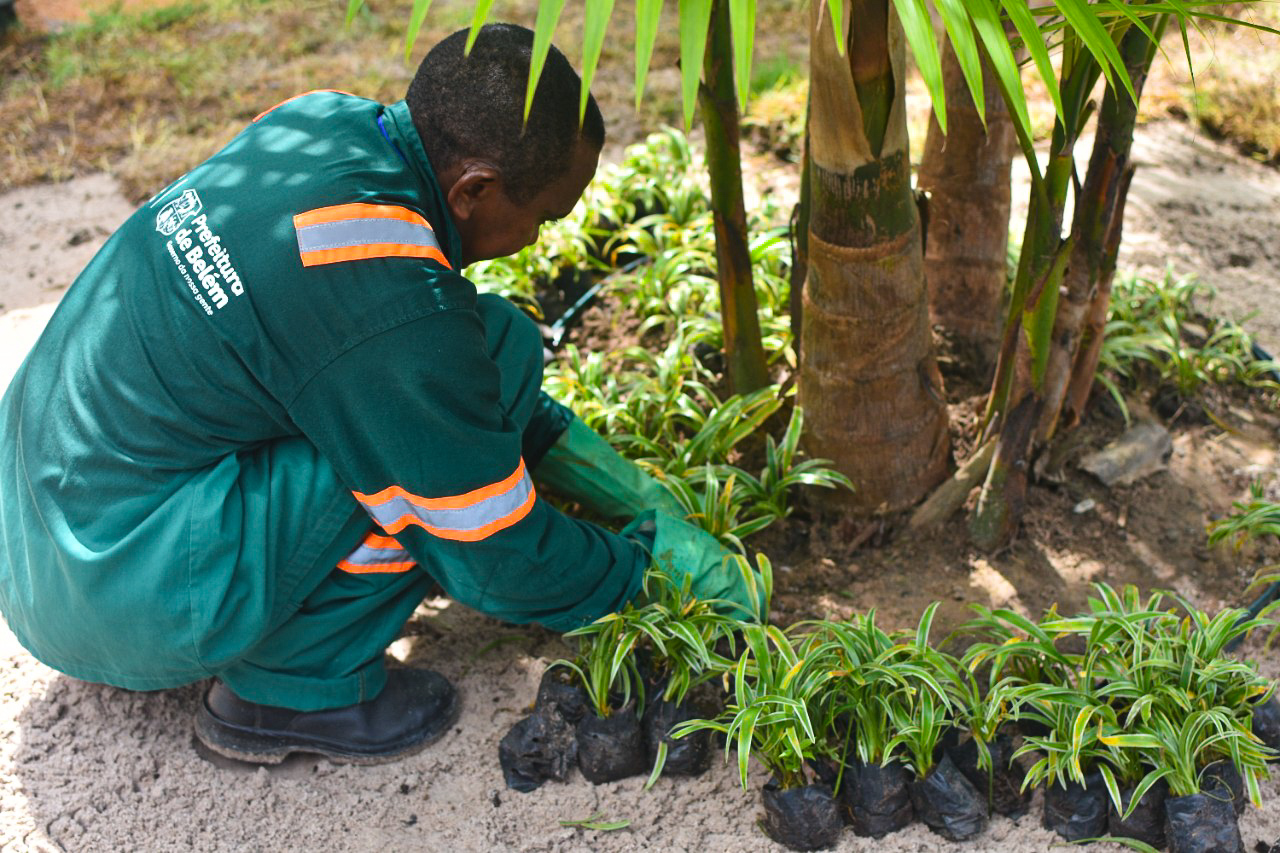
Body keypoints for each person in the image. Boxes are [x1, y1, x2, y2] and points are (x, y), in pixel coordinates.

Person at [0, 24, 754, 766]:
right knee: (419, 469)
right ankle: (292, 685)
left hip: (35, 533)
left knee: (489, 345)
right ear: (475, 188)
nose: (539, 237)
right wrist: (646, 571)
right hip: (115, 582)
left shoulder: (320, 123)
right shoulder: (381, 292)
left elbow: (440, 372)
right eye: (544, 215)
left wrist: (623, 485)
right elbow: (490, 554)